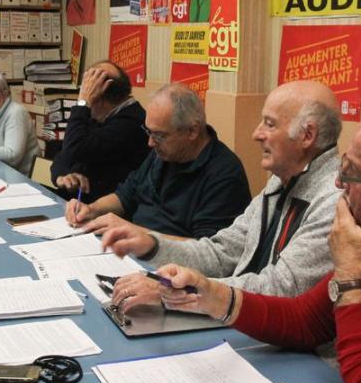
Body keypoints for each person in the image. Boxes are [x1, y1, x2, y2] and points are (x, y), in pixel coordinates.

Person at [154, 112, 361, 383]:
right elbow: (305, 320)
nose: (337, 182)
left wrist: (350, 278)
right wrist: (211, 294)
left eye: (351, 175)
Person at [103, 80, 342, 313]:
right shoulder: (280, 182)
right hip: (246, 320)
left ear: (307, 135)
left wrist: (173, 292)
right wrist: (152, 245)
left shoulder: (333, 201)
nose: (257, 134)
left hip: (295, 348)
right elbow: (221, 254)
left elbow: (282, 288)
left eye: (269, 124)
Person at [66, 83, 251, 239]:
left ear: (192, 131)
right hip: (136, 254)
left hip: (174, 271)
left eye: (160, 135)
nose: (150, 142)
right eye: (149, 131)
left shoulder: (224, 174)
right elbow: (126, 195)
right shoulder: (164, 154)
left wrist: (138, 235)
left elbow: (208, 252)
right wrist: (91, 209)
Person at [51, 61, 150, 202]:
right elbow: (63, 153)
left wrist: (83, 103)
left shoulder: (131, 123)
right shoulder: (102, 116)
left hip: (104, 211)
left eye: (86, 92)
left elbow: (74, 148)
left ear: (97, 98)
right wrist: (63, 176)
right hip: (77, 203)